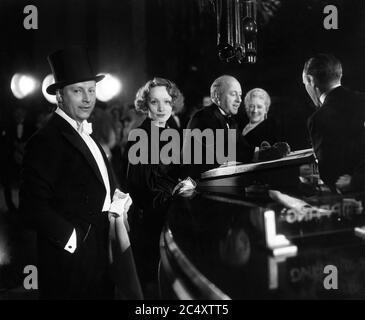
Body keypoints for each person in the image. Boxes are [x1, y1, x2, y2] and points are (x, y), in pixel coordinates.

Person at [19, 46, 140, 299]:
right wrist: (73, 240)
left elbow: (99, 182)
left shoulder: (87, 132)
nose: (87, 98)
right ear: (60, 96)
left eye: (91, 90)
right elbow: (32, 208)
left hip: (100, 253)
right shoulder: (45, 140)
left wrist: (118, 198)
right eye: (78, 91)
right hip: (70, 263)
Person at [126, 77, 194, 297]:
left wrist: (186, 183)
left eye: (166, 101)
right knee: (154, 289)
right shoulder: (141, 136)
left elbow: (176, 173)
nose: (162, 107)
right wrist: (174, 195)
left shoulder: (170, 133)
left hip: (167, 218)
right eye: (155, 102)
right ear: (146, 105)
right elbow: (141, 189)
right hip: (150, 225)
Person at [303, 53, 365, 192]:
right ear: (339, 75)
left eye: (304, 84)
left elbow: (331, 175)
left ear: (310, 80)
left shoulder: (318, 119)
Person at [183, 75, 254, 178]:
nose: (239, 100)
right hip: (198, 184)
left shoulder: (231, 119)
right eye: (233, 94)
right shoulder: (204, 117)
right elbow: (225, 152)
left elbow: (242, 146)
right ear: (216, 96)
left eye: (240, 95)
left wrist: (263, 150)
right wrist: (262, 154)